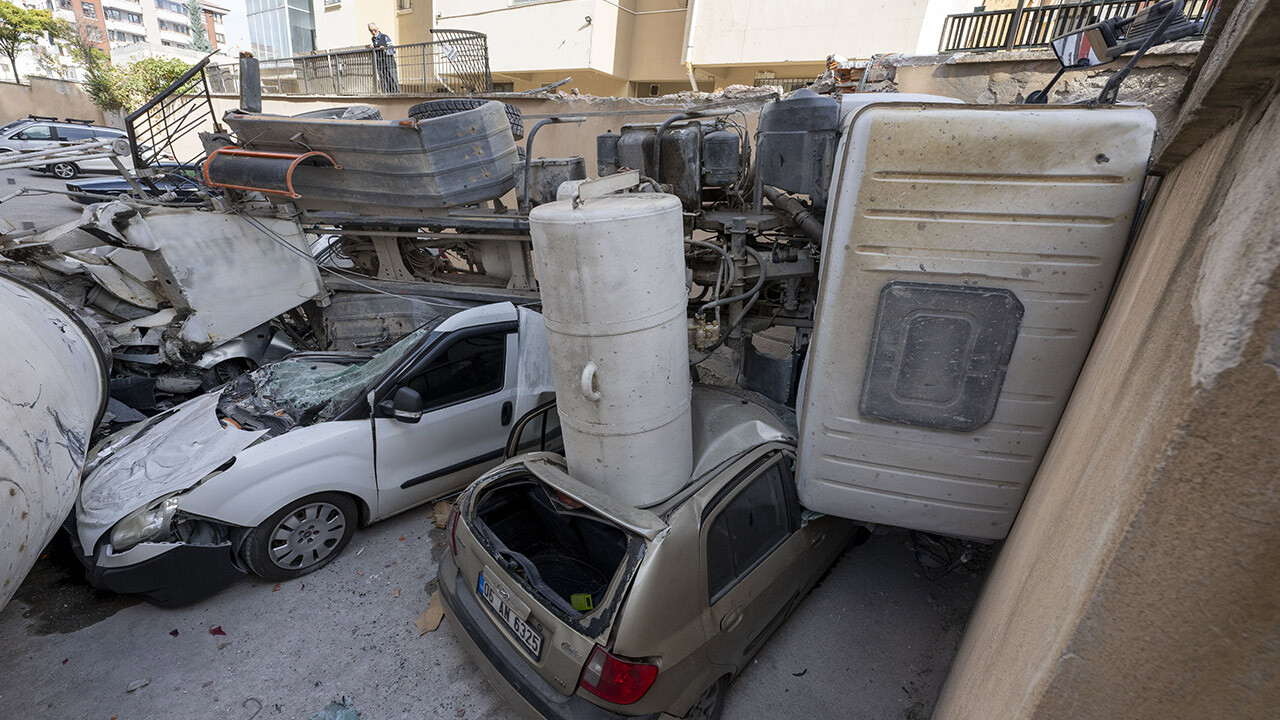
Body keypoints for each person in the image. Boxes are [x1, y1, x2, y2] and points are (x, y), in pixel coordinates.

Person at [368, 22, 399, 93]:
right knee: (384, 81)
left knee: (393, 80)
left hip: (389, 64)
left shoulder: (385, 37)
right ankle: (386, 95)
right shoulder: (373, 39)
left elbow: (392, 50)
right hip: (380, 65)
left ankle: (397, 95)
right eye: (370, 30)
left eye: (374, 30)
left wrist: (385, 49)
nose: (373, 32)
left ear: (377, 29)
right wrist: (372, 48)